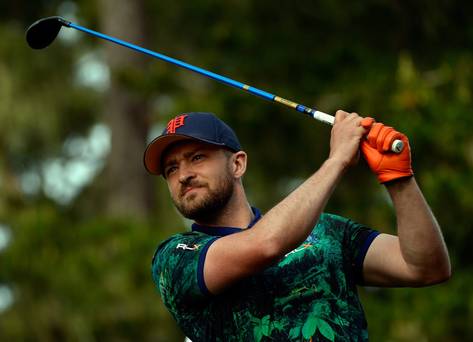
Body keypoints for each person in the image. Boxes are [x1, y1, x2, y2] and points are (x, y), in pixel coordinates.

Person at [145, 111, 450, 341]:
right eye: (171, 169)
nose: (183, 174)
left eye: (196, 158)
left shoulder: (326, 231)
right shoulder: (175, 257)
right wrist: (338, 159)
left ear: (237, 164)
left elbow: (425, 267)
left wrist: (398, 179)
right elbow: (267, 244)